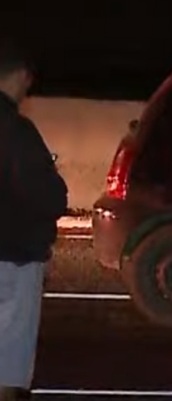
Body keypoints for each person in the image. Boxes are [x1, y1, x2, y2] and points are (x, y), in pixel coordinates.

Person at [0, 41, 67, 401]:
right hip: (13, 259)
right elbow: (49, 196)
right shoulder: (18, 131)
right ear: (21, 77)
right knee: (7, 364)